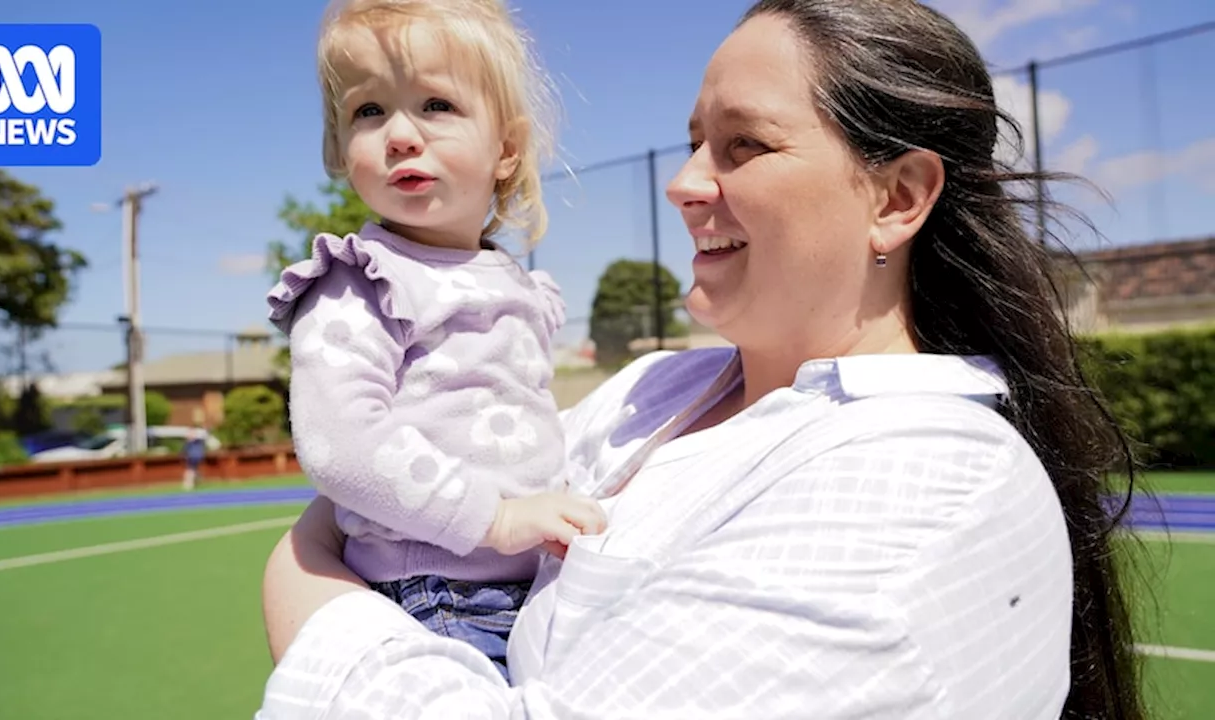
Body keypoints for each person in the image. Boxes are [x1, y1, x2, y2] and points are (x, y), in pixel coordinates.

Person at [257, 1, 1147, 717]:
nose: (683, 183)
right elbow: (410, 458)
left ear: (898, 196)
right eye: (691, 141)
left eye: (743, 145)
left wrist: (304, 573)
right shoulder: (653, 391)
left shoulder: (929, 485)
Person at [262, 0, 606, 682]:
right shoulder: (360, 281)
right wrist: (495, 518)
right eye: (368, 111)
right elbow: (342, 443)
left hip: (532, 584)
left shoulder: (511, 280)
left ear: (506, 149)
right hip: (438, 595)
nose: (399, 135)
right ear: (338, 148)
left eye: (437, 105)